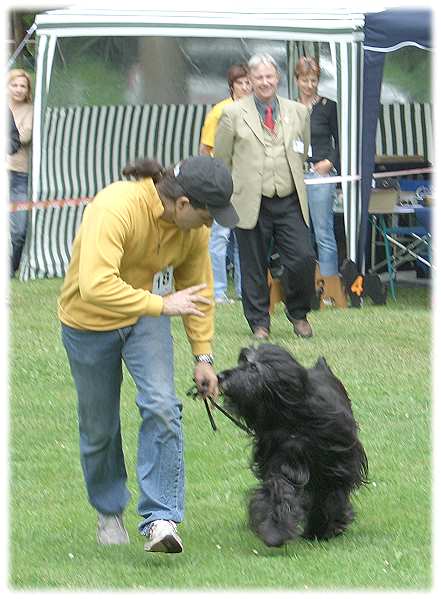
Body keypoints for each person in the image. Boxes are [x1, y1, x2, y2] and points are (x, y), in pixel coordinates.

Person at [58, 155, 238, 553]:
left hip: (144, 315)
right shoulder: (116, 207)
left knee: (162, 404)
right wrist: (161, 305)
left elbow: (197, 289)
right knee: (99, 426)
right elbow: (95, 285)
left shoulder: (193, 230)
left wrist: (203, 357)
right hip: (88, 321)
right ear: (184, 204)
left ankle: (161, 520)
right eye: (208, 216)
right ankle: (109, 512)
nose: (211, 225)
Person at [215, 53, 316, 339]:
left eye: (269, 76)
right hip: (251, 200)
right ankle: (259, 322)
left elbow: (302, 149)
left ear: (278, 78)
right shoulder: (233, 114)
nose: (264, 82)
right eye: (258, 77)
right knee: (253, 266)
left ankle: (298, 313)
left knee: (303, 258)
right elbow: (222, 159)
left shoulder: (297, 111)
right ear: (250, 80)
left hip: (289, 198)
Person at [295, 56, 346, 308]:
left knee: (323, 231)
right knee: (299, 232)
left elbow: (342, 139)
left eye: (313, 80)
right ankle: (304, 287)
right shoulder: (288, 107)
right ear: (297, 81)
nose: (309, 85)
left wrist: (330, 162)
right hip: (295, 174)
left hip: (320, 173)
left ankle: (329, 290)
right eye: (305, 80)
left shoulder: (328, 106)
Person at [200, 63, 251, 304]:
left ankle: (244, 290)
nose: (247, 86)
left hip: (247, 181)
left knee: (245, 237)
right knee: (220, 237)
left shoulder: (256, 110)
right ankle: (218, 292)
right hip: (222, 181)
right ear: (232, 86)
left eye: (248, 82)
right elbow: (205, 149)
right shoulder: (219, 111)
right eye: (242, 83)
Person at [7, 69, 34, 277]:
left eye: (22, 86)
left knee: (19, 230)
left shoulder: (31, 110)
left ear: (28, 90)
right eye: (14, 85)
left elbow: (23, 137)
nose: (18, 89)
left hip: (19, 176)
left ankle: (11, 269)